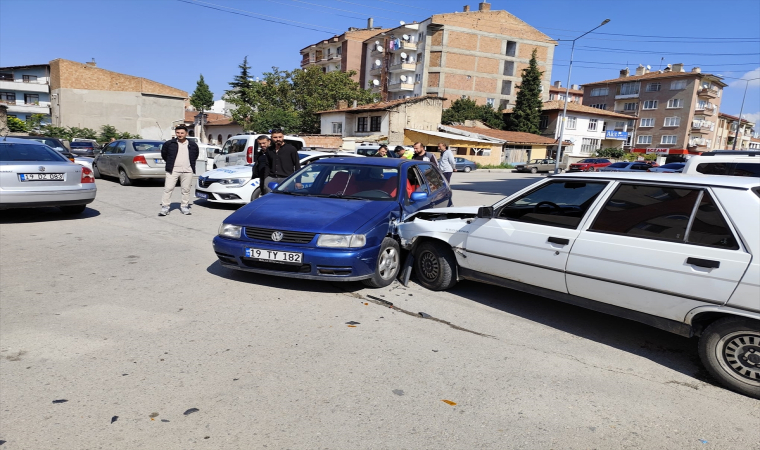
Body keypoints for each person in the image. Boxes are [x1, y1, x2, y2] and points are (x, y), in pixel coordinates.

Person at [159, 124, 199, 216]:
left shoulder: (192, 144)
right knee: (168, 188)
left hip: (188, 170)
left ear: (186, 133)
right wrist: (171, 164)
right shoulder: (169, 144)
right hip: (173, 170)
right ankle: (165, 207)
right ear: (175, 133)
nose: (180, 134)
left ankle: (184, 206)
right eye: (178, 133)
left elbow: (195, 155)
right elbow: (164, 155)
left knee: (186, 189)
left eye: (182, 133)